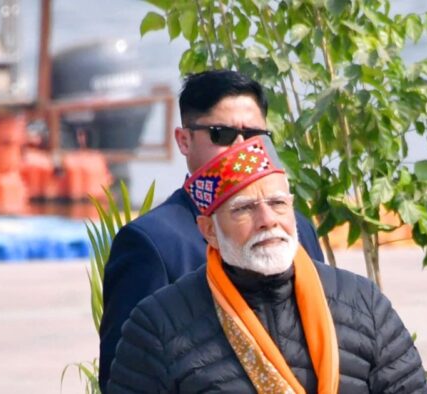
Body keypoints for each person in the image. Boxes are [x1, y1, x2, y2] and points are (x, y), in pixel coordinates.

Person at [108, 136, 427, 393]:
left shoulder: (362, 303)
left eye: (278, 204)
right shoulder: (158, 325)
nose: (267, 221)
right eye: (244, 209)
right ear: (210, 232)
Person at [99, 70, 325, 390]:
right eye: (221, 134)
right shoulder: (152, 243)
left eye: (253, 135)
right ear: (183, 140)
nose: (239, 147)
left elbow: (330, 323)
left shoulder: (296, 227)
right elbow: (124, 374)